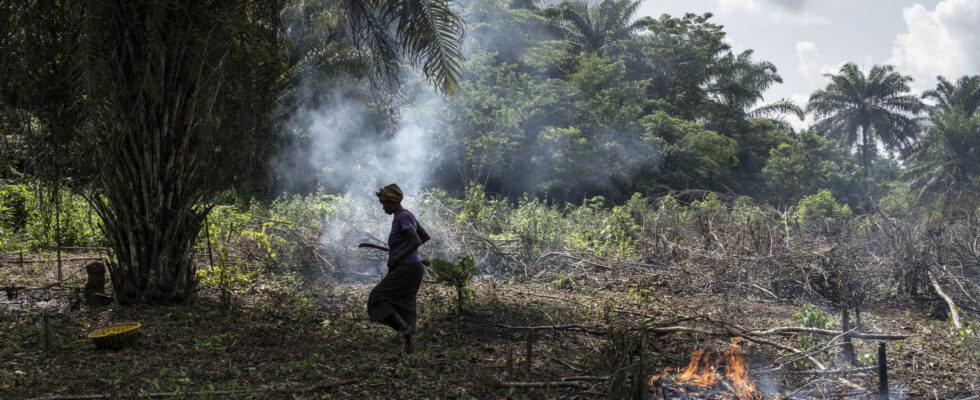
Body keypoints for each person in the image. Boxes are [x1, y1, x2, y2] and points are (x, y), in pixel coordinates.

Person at [367, 183, 430, 353]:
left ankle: (404, 327)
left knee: (377, 296)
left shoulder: (402, 216)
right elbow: (424, 236)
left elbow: (417, 241)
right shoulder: (406, 215)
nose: (383, 208)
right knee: (405, 304)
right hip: (411, 268)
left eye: (383, 204)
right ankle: (410, 345)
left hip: (407, 269)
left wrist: (398, 256)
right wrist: (404, 253)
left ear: (392, 202)